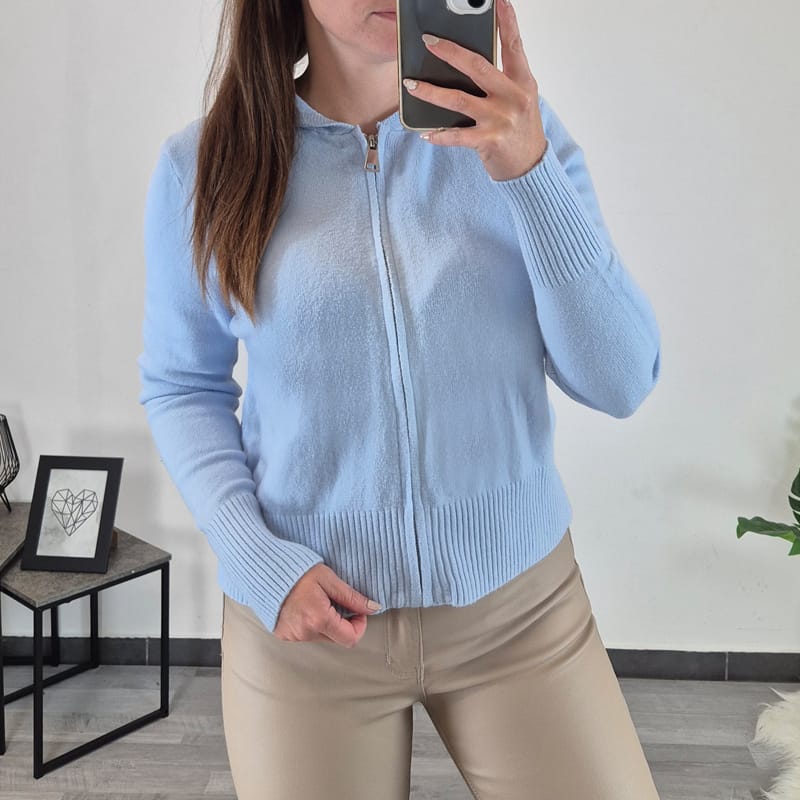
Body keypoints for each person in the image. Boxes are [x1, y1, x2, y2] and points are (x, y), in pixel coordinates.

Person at [138, 0, 663, 797]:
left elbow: (621, 381)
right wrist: (255, 557)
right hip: (308, 628)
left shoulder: (517, 134)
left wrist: (529, 173)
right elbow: (183, 386)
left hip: (520, 612)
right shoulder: (206, 165)